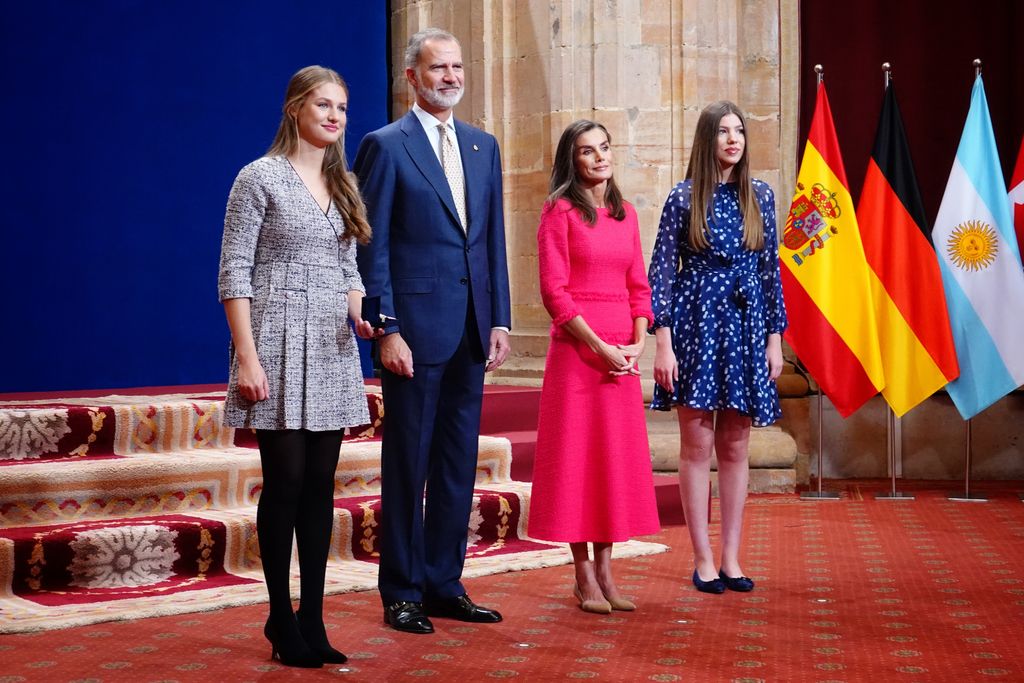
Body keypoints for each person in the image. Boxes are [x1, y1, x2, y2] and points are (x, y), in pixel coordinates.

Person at [218, 65, 379, 667]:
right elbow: (234, 273)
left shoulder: (345, 186)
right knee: (284, 484)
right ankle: (280, 617)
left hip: (333, 348)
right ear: (294, 110)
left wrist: (361, 316)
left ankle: (313, 616)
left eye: (342, 107)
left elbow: (349, 272)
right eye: (323, 106)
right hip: (276, 343)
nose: (336, 117)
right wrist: (247, 358)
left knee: (319, 489)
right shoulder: (258, 178)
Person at [354, 28, 512, 635]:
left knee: (455, 465)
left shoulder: (483, 146)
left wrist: (499, 317)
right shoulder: (385, 146)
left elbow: (490, 238)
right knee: (408, 465)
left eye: (457, 66)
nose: (450, 76)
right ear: (410, 79)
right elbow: (373, 246)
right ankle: (402, 590)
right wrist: (385, 328)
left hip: (473, 329)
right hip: (413, 335)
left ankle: (446, 583)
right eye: (437, 68)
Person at [648, 100, 787, 595]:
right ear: (707, 140)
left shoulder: (761, 197)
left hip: (749, 328)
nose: (733, 140)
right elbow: (661, 274)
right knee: (698, 442)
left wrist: (776, 340)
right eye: (723, 132)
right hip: (697, 325)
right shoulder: (682, 198)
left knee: (735, 443)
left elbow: (771, 272)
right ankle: (702, 558)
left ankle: (731, 557)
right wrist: (663, 344)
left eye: (740, 132)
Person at [528, 120, 661, 614]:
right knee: (577, 462)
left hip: (620, 357)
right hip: (578, 353)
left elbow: (639, 286)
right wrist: (600, 346)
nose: (599, 157)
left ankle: (607, 570)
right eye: (587, 151)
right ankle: (583, 574)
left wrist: (637, 343)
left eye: (604, 147)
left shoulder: (625, 214)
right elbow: (553, 292)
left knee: (610, 462)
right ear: (573, 160)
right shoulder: (558, 211)